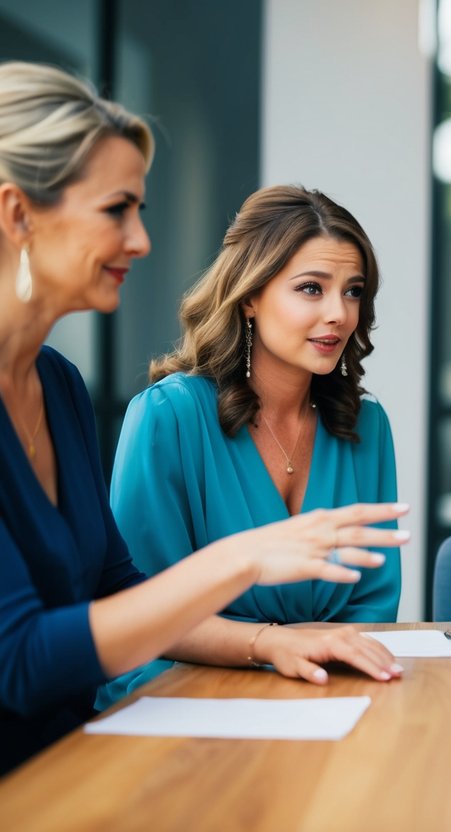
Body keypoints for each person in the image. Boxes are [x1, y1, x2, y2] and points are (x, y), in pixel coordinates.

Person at [0, 62, 407, 776]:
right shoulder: (167, 412)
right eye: (116, 210)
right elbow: (23, 659)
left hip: (78, 750)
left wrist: (270, 644)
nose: (141, 241)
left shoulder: (58, 384)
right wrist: (245, 561)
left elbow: (121, 588)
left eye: (140, 213)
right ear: (16, 213)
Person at [96, 185, 401, 709]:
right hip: (174, 695)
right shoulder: (168, 417)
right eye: (311, 288)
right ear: (252, 295)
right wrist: (268, 646)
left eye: (353, 291)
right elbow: (137, 612)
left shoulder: (365, 426)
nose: (339, 314)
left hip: (320, 694)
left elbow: (372, 602)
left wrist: (318, 674)